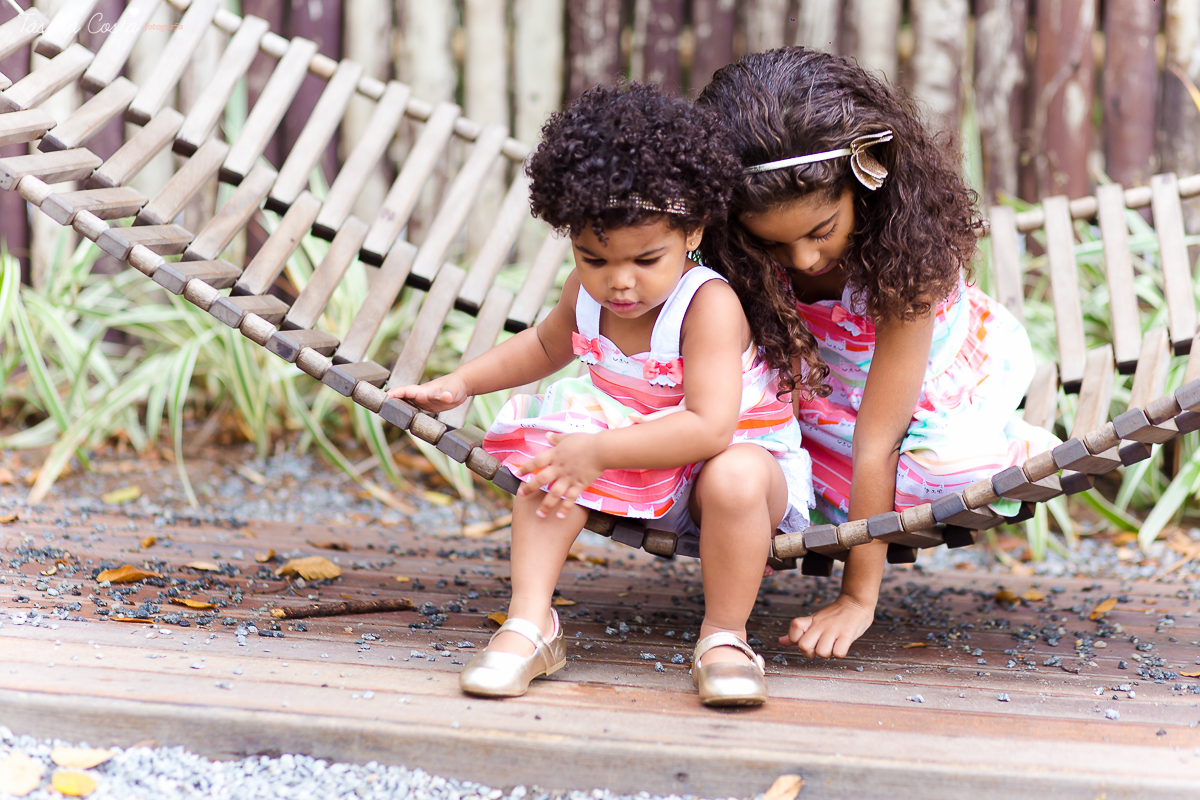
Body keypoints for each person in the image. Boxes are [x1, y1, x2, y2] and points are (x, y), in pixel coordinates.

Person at [386, 83, 813, 707]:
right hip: (630, 458)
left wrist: (598, 452)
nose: (619, 283)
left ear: (692, 231)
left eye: (646, 259)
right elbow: (542, 347)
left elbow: (710, 429)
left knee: (736, 474)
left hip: (723, 473)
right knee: (552, 461)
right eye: (593, 258)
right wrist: (461, 383)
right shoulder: (586, 292)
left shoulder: (709, 304)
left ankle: (725, 636)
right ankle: (531, 623)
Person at [696, 48, 1059, 662]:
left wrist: (857, 598)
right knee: (725, 463)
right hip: (813, 398)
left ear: (868, 177)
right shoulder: (737, 252)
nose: (806, 260)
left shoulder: (909, 264)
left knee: (948, 479)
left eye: (821, 230)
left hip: (915, 402)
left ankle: (1019, 442)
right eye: (774, 243)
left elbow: (877, 442)